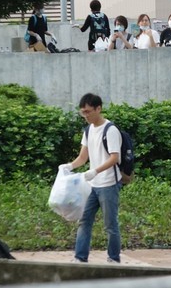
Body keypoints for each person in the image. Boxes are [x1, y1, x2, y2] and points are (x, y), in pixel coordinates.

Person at [59, 93, 122, 263]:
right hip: (92, 186)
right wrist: (69, 166)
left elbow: (114, 157)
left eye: (88, 112)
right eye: (83, 113)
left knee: (110, 224)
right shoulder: (88, 131)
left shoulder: (110, 130)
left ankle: (114, 259)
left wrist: (96, 171)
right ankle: (80, 258)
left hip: (109, 184)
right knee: (84, 220)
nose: (86, 116)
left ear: (98, 109)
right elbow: (82, 158)